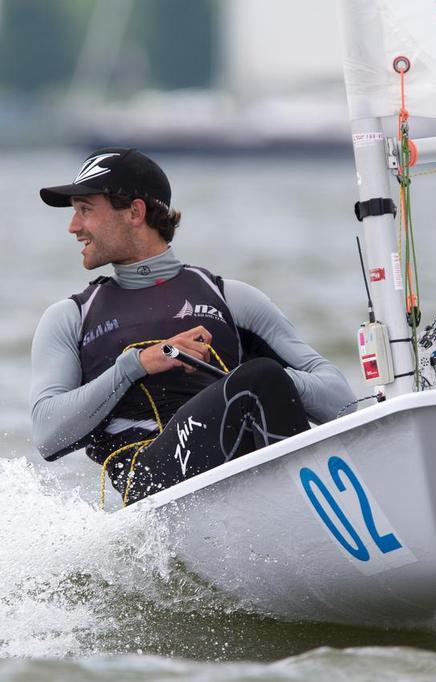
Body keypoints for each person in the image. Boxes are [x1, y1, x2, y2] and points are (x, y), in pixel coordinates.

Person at [30, 147, 356, 505]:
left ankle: (304, 521)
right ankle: (301, 515)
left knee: (259, 379)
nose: (73, 227)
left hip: (233, 472)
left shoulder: (232, 298)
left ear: (135, 212)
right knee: (257, 380)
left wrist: (239, 378)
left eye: (85, 210)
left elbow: (340, 402)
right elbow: (47, 435)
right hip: (148, 485)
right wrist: (136, 365)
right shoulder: (71, 317)